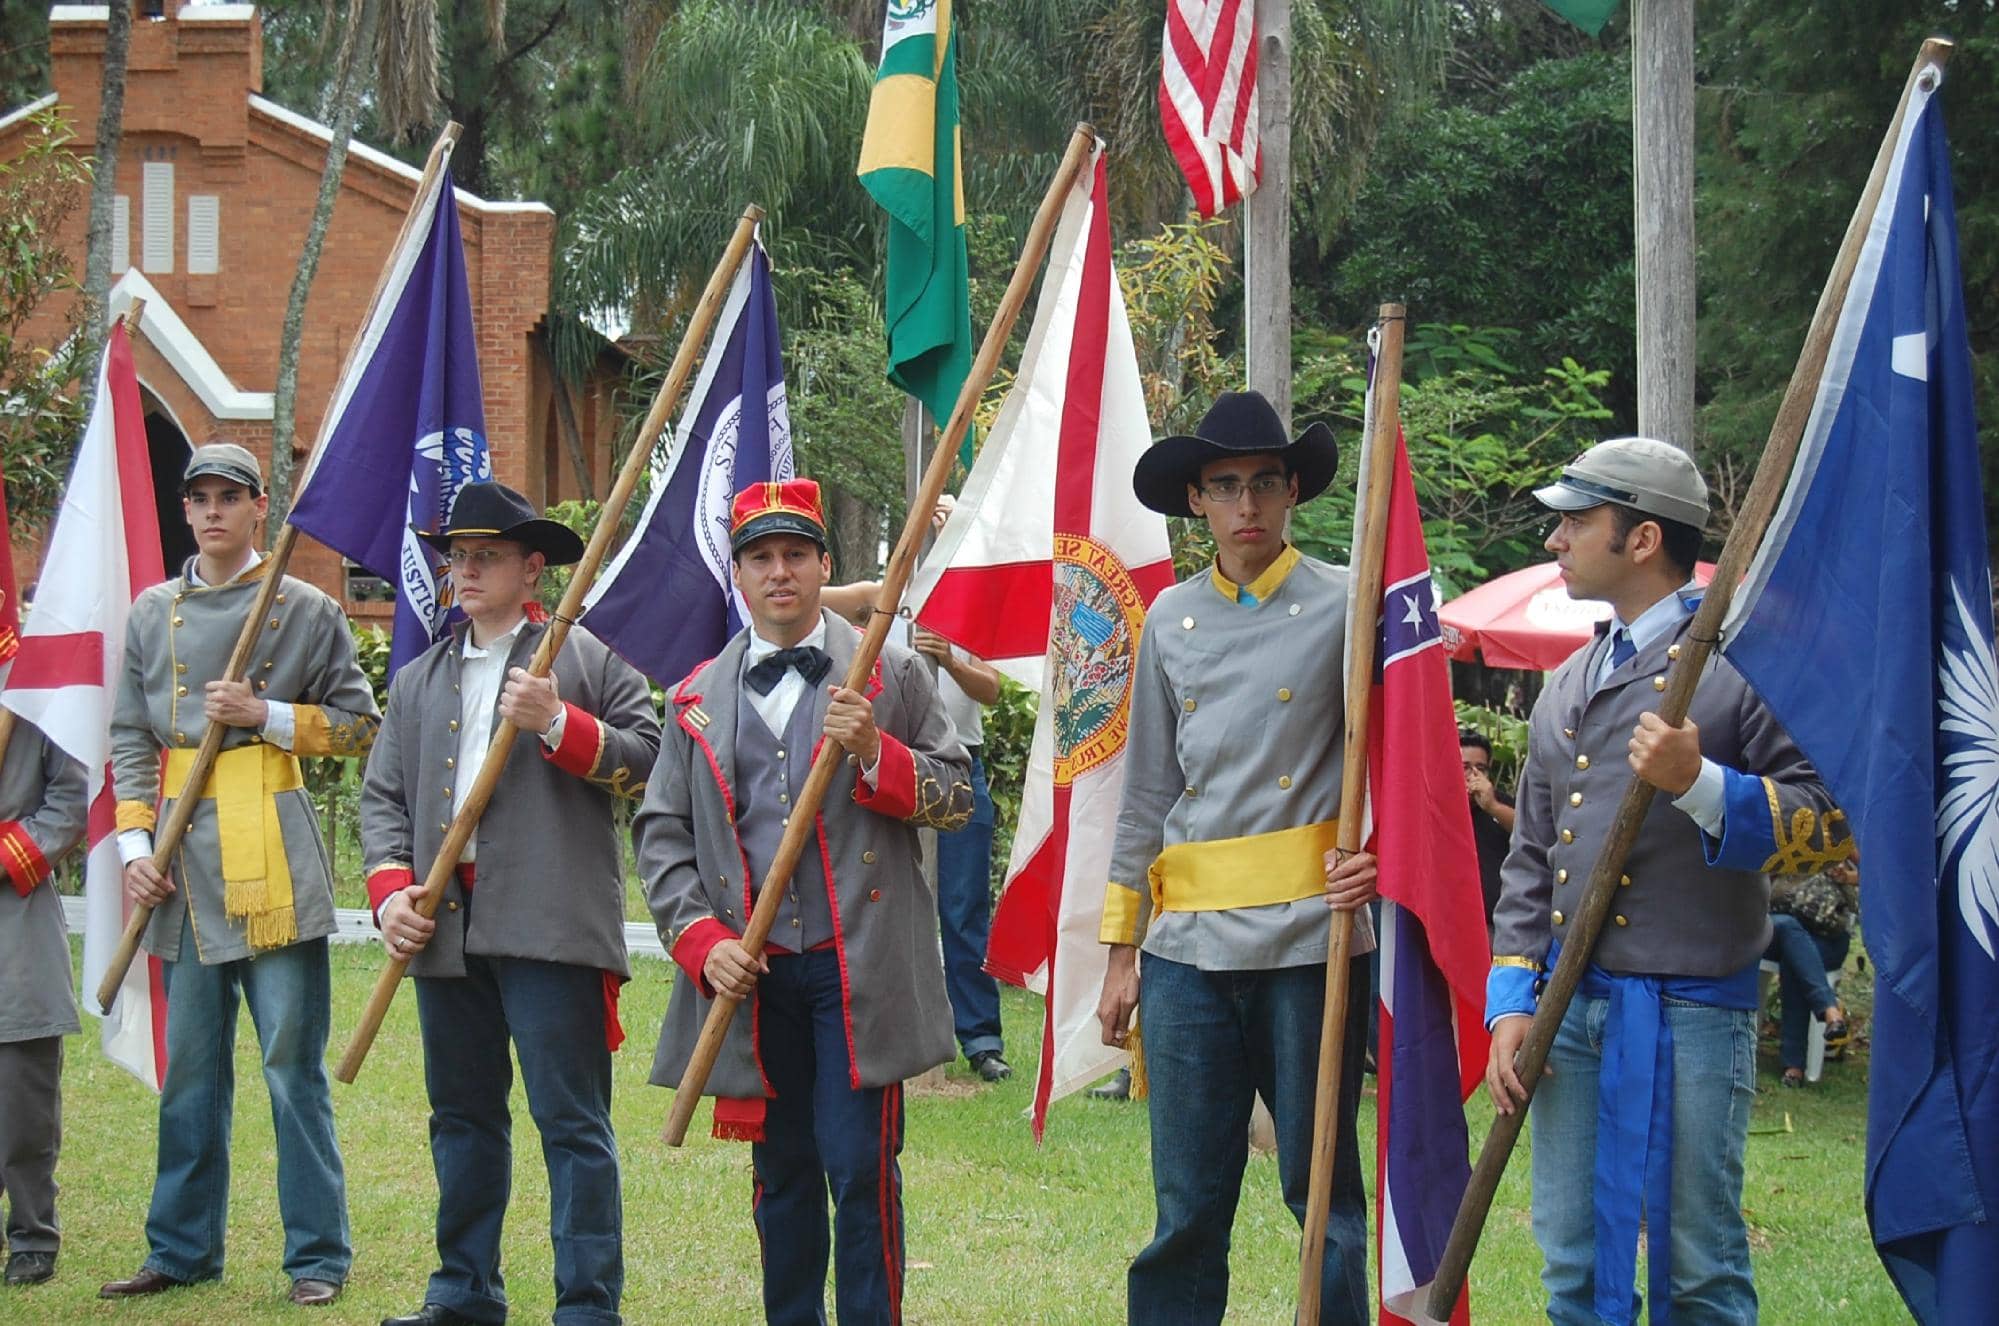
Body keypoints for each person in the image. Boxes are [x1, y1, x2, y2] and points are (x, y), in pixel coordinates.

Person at [1484, 437, 1851, 1324]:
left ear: (1641, 538)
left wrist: (1703, 784)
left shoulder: (1744, 667)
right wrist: (1510, 1000)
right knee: (1568, 1257)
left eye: (1575, 521)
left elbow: (1832, 824)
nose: (1555, 540)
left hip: (1691, 1010)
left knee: (1698, 1266)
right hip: (1564, 1011)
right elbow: (1532, 856)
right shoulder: (1569, 678)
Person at [636, 478, 973, 1325]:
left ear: (826, 565)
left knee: (858, 1165)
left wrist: (876, 754)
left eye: (795, 554)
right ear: (739, 577)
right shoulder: (691, 702)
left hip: (856, 973)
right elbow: (662, 835)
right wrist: (699, 938)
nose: (778, 572)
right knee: (780, 1172)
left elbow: (959, 798)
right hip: (752, 980)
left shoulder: (888, 672)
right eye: (760, 558)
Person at [1093, 390, 1380, 1323]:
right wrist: (1119, 951)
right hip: (1185, 960)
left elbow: (1411, 761)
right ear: (1196, 502)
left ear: (1292, 490)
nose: (1245, 505)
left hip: (1312, 941)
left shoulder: (1353, 599)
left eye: (1263, 483)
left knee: (1323, 1198)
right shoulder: (1167, 620)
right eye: (1224, 487)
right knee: (1185, 1206)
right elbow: (1144, 795)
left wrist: (1378, 853)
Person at [361, 480, 659, 1326]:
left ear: (532, 568)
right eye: (457, 555)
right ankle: (463, 1293)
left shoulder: (589, 660)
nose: (465, 571)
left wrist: (561, 721)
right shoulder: (420, 679)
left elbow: (649, 763)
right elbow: (383, 800)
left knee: (570, 1123)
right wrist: (389, 897)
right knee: (460, 1118)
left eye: (485, 555)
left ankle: (588, 1307)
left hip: (549, 929)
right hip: (444, 932)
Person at [102, 443, 380, 1307]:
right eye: (200, 498)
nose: (215, 510)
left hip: (273, 858)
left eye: (232, 496)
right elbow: (128, 738)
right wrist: (136, 850)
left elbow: (357, 726)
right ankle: (181, 1248)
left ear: (261, 507)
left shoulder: (302, 607)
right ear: (185, 511)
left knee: (290, 1068)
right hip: (181, 863)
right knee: (191, 1068)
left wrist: (267, 715)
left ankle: (318, 1256)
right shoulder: (154, 613)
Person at [0, 721, 87, 1289]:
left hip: (16, 919)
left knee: (22, 1094)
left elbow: (70, 800)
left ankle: (32, 1233)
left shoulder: (32, 691)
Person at [1764, 858, 1858, 1087]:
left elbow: (1880, 874)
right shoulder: (1781, 826)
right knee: (1789, 929)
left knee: (1796, 958)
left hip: (1828, 935)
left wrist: (1847, 876)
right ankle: (1829, 1010)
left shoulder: (1843, 830)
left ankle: (1793, 1067)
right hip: (1780, 924)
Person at [1460, 730, 1516, 928]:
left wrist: (1492, 806)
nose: (1472, 774)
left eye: (1480, 768)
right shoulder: (1435, 805)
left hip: (1497, 923)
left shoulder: (1500, 803)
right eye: (1465, 767)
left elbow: (1527, 834)